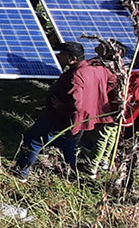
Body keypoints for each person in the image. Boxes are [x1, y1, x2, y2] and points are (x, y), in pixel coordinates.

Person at [12, 41, 116, 180]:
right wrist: (96, 97)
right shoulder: (97, 68)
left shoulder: (76, 76)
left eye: (62, 55)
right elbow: (113, 81)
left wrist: (63, 107)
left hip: (60, 118)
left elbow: (78, 103)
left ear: (73, 59)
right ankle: (71, 175)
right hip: (81, 120)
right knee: (69, 145)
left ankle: (21, 172)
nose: (59, 56)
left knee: (35, 140)